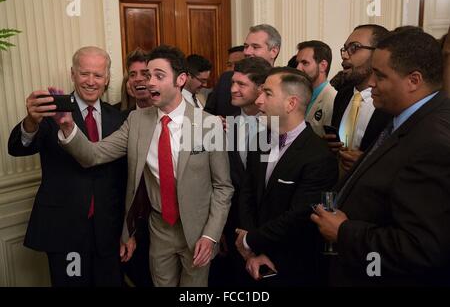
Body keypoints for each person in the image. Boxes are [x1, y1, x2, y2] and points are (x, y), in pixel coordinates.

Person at [55, 45, 234, 287]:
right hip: (160, 229)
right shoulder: (137, 121)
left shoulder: (208, 124)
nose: (149, 83)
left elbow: (223, 187)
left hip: (198, 231)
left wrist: (210, 235)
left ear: (180, 80)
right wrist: (67, 127)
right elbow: (93, 155)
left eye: (159, 76)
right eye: (148, 75)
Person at [311, 30, 450, 286]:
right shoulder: (406, 117)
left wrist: (344, 232)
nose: (371, 83)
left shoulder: (434, 141)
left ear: (414, 80)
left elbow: (421, 249)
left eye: (381, 76)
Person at [7, 46, 127, 286]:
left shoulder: (119, 117)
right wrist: (31, 121)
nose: (91, 81)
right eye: (84, 74)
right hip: (65, 231)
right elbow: (18, 148)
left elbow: (123, 178)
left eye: (98, 75)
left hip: (108, 232)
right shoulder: (52, 113)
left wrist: (126, 231)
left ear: (107, 79)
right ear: (72, 74)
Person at [235, 67, 338, 286]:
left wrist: (249, 240)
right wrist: (251, 250)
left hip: (290, 267)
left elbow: (299, 218)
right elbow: (247, 193)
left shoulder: (319, 156)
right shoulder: (260, 140)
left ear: (291, 104)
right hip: (251, 261)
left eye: (268, 93)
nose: (259, 100)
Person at [209, 57, 272, 286]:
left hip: (269, 232)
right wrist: (219, 231)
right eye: (232, 83)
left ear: (261, 88)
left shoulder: (279, 127)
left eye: (241, 85)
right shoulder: (220, 125)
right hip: (231, 228)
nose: (233, 89)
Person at [326, 24, 391, 176]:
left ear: (378, 53)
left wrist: (369, 163)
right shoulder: (342, 95)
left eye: (354, 48)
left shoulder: (390, 102)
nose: (345, 55)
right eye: (344, 48)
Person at [204, 24, 282, 117]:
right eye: (246, 46)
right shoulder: (226, 79)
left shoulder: (283, 83)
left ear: (273, 51)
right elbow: (207, 116)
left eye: (255, 47)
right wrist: (216, 122)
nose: (247, 52)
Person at [296, 40, 336, 137]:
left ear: (322, 66)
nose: (298, 68)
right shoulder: (300, 95)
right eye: (298, 63)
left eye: (305, 63)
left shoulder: (332, 100)